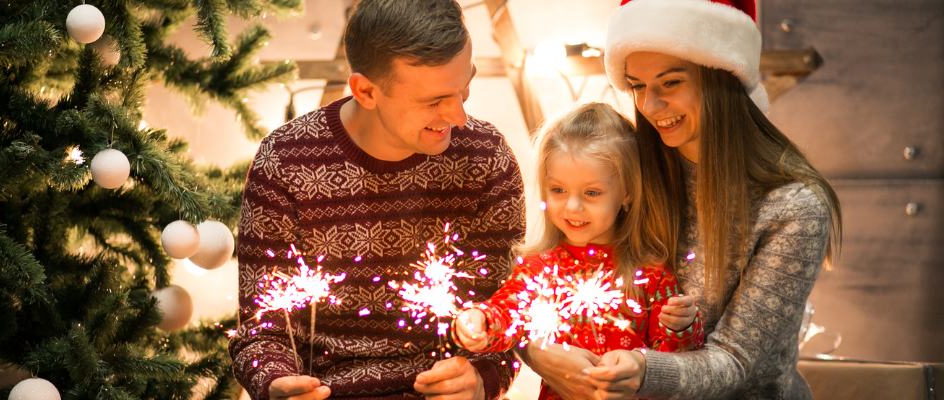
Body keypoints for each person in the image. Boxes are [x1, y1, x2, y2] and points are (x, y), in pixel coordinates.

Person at [518, 1, 842, 399]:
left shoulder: (792, 206)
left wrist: (642, 371)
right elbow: (548, 273)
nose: (650, 107)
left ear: (721, 76)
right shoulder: (630, 171)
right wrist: (538, 350)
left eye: (670, 83)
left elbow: (736, 361)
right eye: (637, 85)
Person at [228, 0, 526, 399]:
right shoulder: (286, 161)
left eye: (464, 89)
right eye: (434, 101)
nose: (457, 117)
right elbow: (262, 330)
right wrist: (276, 384)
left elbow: (507, 311)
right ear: (365, 91)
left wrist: (483, 379)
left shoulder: (486, 158)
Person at [450, 103, 704, 400]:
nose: (572, 207)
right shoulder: (539, 269)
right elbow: (508, 312)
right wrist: (478, 321)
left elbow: (672, 365)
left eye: (591, 193)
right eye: (558, 190)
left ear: (627, 193)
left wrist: (681, 327)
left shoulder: (651, 273)